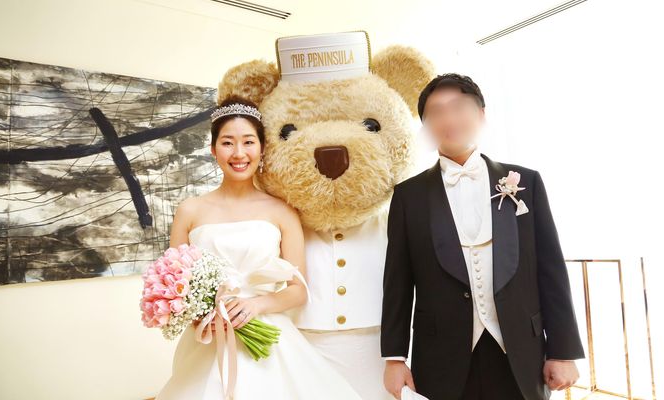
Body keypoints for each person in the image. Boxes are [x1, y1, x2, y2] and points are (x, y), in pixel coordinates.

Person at [380, 73, 585, 400]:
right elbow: (398, 282)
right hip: (440, 355)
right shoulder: (409, 195)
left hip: (520, 350)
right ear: (426, 127)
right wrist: (394, 358)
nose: (449, 119)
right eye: (436, 112)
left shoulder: (525, 183)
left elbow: (551, 271)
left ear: (481, 114)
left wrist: (563, 351)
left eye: (459, 107)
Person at [155, 96, 362, 399]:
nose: (238, 153)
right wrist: (200, 316)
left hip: (269, 339)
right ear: (213, 149)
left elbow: (299, 290)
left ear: (262, 148)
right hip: (209, 339)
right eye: (227, 143)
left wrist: (256, 305)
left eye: (248, 142)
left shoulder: (282, 211)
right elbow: (174, 285)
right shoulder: (190, 210)